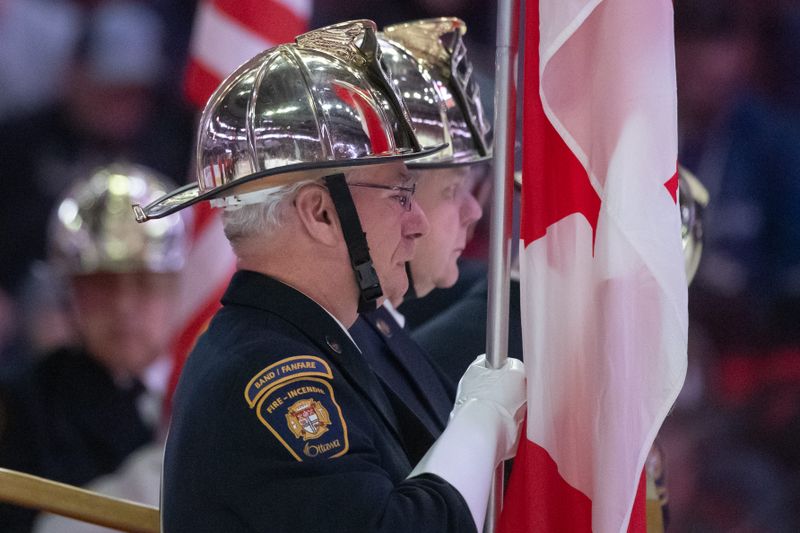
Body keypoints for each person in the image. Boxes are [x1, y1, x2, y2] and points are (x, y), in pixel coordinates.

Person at [141, 20, 525, 533]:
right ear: (320, 213)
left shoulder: (308, 344)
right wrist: (482, 421)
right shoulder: (271, 379)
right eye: (400, 196)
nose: (418, 224)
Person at [0, 163, 188, 532]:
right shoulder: (25, 407)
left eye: (144, 282)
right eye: (102, 284)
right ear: (69, 292)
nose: (123, 307)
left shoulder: (213, 386)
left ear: (180, 285)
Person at [349, 18, 491, 463]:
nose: (475, 211)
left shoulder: (381, 331)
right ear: (395, 198)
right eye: (453, 190)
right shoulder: (343, 347)